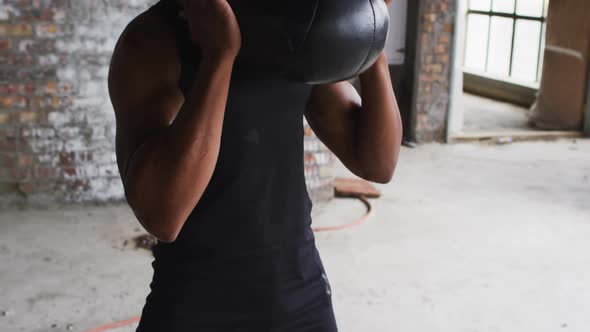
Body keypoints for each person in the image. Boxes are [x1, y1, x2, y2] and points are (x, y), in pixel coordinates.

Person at [107, 0, 402, 330]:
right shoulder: (152, 41)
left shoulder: (294, 27)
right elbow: (164, 217)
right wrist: (219, 57)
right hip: (196, 303)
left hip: (299, 294)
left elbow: (378, 163)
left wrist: (372, 32)